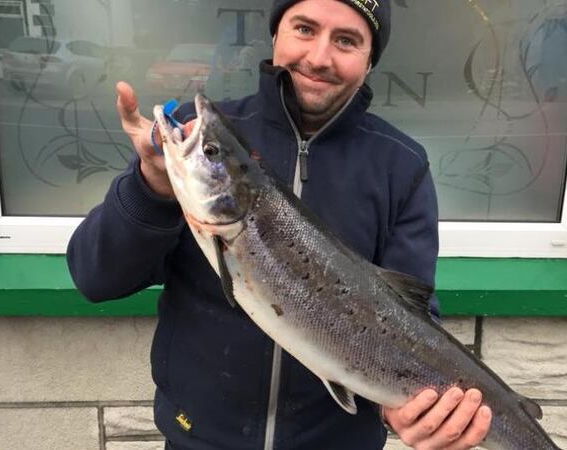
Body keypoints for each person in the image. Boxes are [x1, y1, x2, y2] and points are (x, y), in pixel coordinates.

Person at [67, 1, 491, 448]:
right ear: (276, 36)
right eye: (304, 28)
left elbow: (410, 315)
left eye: (346, 40)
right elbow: (96, 278)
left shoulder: (401, 166)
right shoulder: (211, 139)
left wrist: (410, 408)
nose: (319, 56)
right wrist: (149, 185)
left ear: (370, 61)